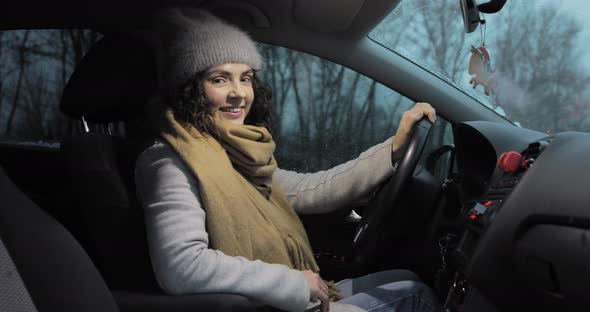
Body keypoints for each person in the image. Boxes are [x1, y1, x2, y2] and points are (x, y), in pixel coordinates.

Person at [135, 8, 440, 312]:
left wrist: (393, 149)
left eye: (246, 78)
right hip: (263, 305)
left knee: (406, 278)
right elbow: (181, 266)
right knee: (416, 295)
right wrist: (291, 283)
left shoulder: (233, 155)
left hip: (275, 300)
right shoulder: (169, 160)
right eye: (219, 80)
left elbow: (308, 190)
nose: (239, 94)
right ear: (190, 90)